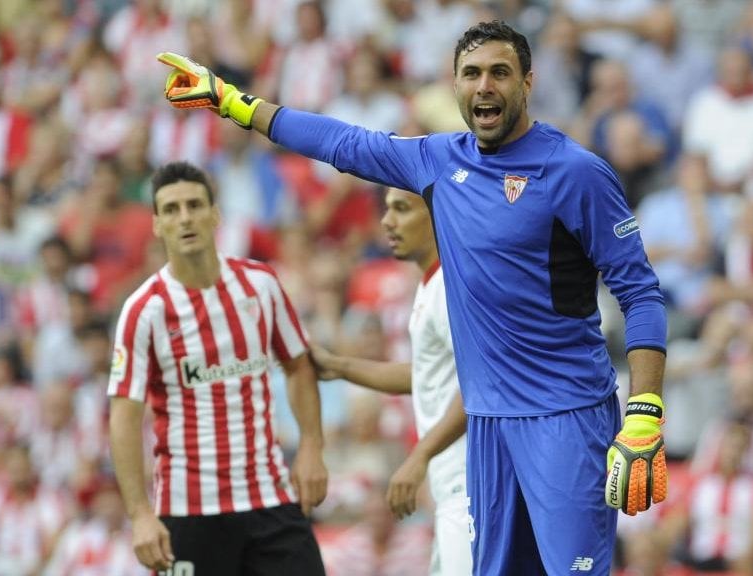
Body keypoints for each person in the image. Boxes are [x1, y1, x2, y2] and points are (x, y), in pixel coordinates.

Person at [158, 20, 668, 575]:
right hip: (489, 426)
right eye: (471, 74)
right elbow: (341, 143)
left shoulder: (575, 172)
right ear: (453, 85)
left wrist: (644, 410)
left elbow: (639, 291)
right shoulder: (438, 160)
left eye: (500, 73)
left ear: (528, 82)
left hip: (565, 418)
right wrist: (233, 102)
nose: (484, 86)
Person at [107, 161, 328, 575]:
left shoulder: (260, 284)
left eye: (194, 205)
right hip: (189, 508)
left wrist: (312, 445)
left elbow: (299, 366)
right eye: (171, 209)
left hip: (270, 498)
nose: (185, 217)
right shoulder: (145, 310)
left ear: (215, 214)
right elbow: (123, 415)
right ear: (156, 224)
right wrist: (139, 514)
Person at [311, 187, 471, 575]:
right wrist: (338, 366)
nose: (387, 222)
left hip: (469, 483)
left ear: (436, 218)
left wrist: (417, 457)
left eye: (401, 209)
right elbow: (426, 377)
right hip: (451, 484)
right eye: (386, 210)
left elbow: (478, 386)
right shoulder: (431, 286)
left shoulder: (453, 289)